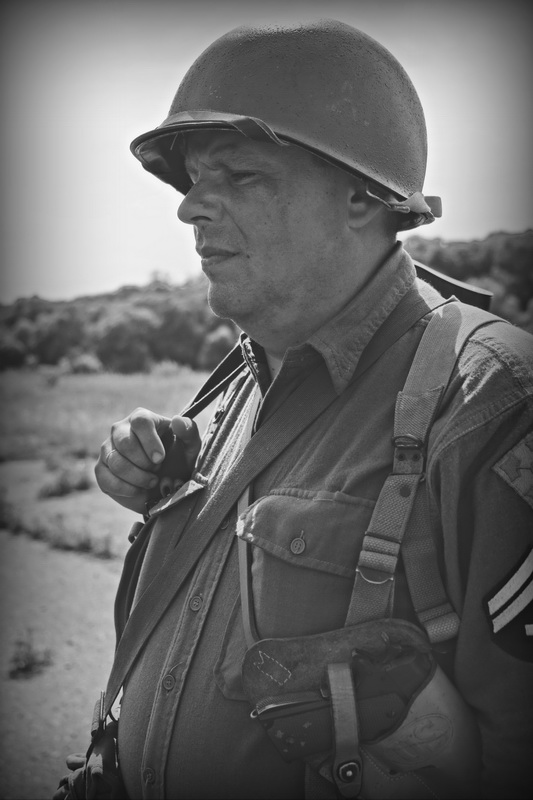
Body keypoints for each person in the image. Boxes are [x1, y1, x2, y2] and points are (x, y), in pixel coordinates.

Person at [88, 19, 532, 800]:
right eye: (193, 180)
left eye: (240, 176)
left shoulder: (488, 398)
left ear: (361, 194)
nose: (191, 209)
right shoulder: (232, 387)